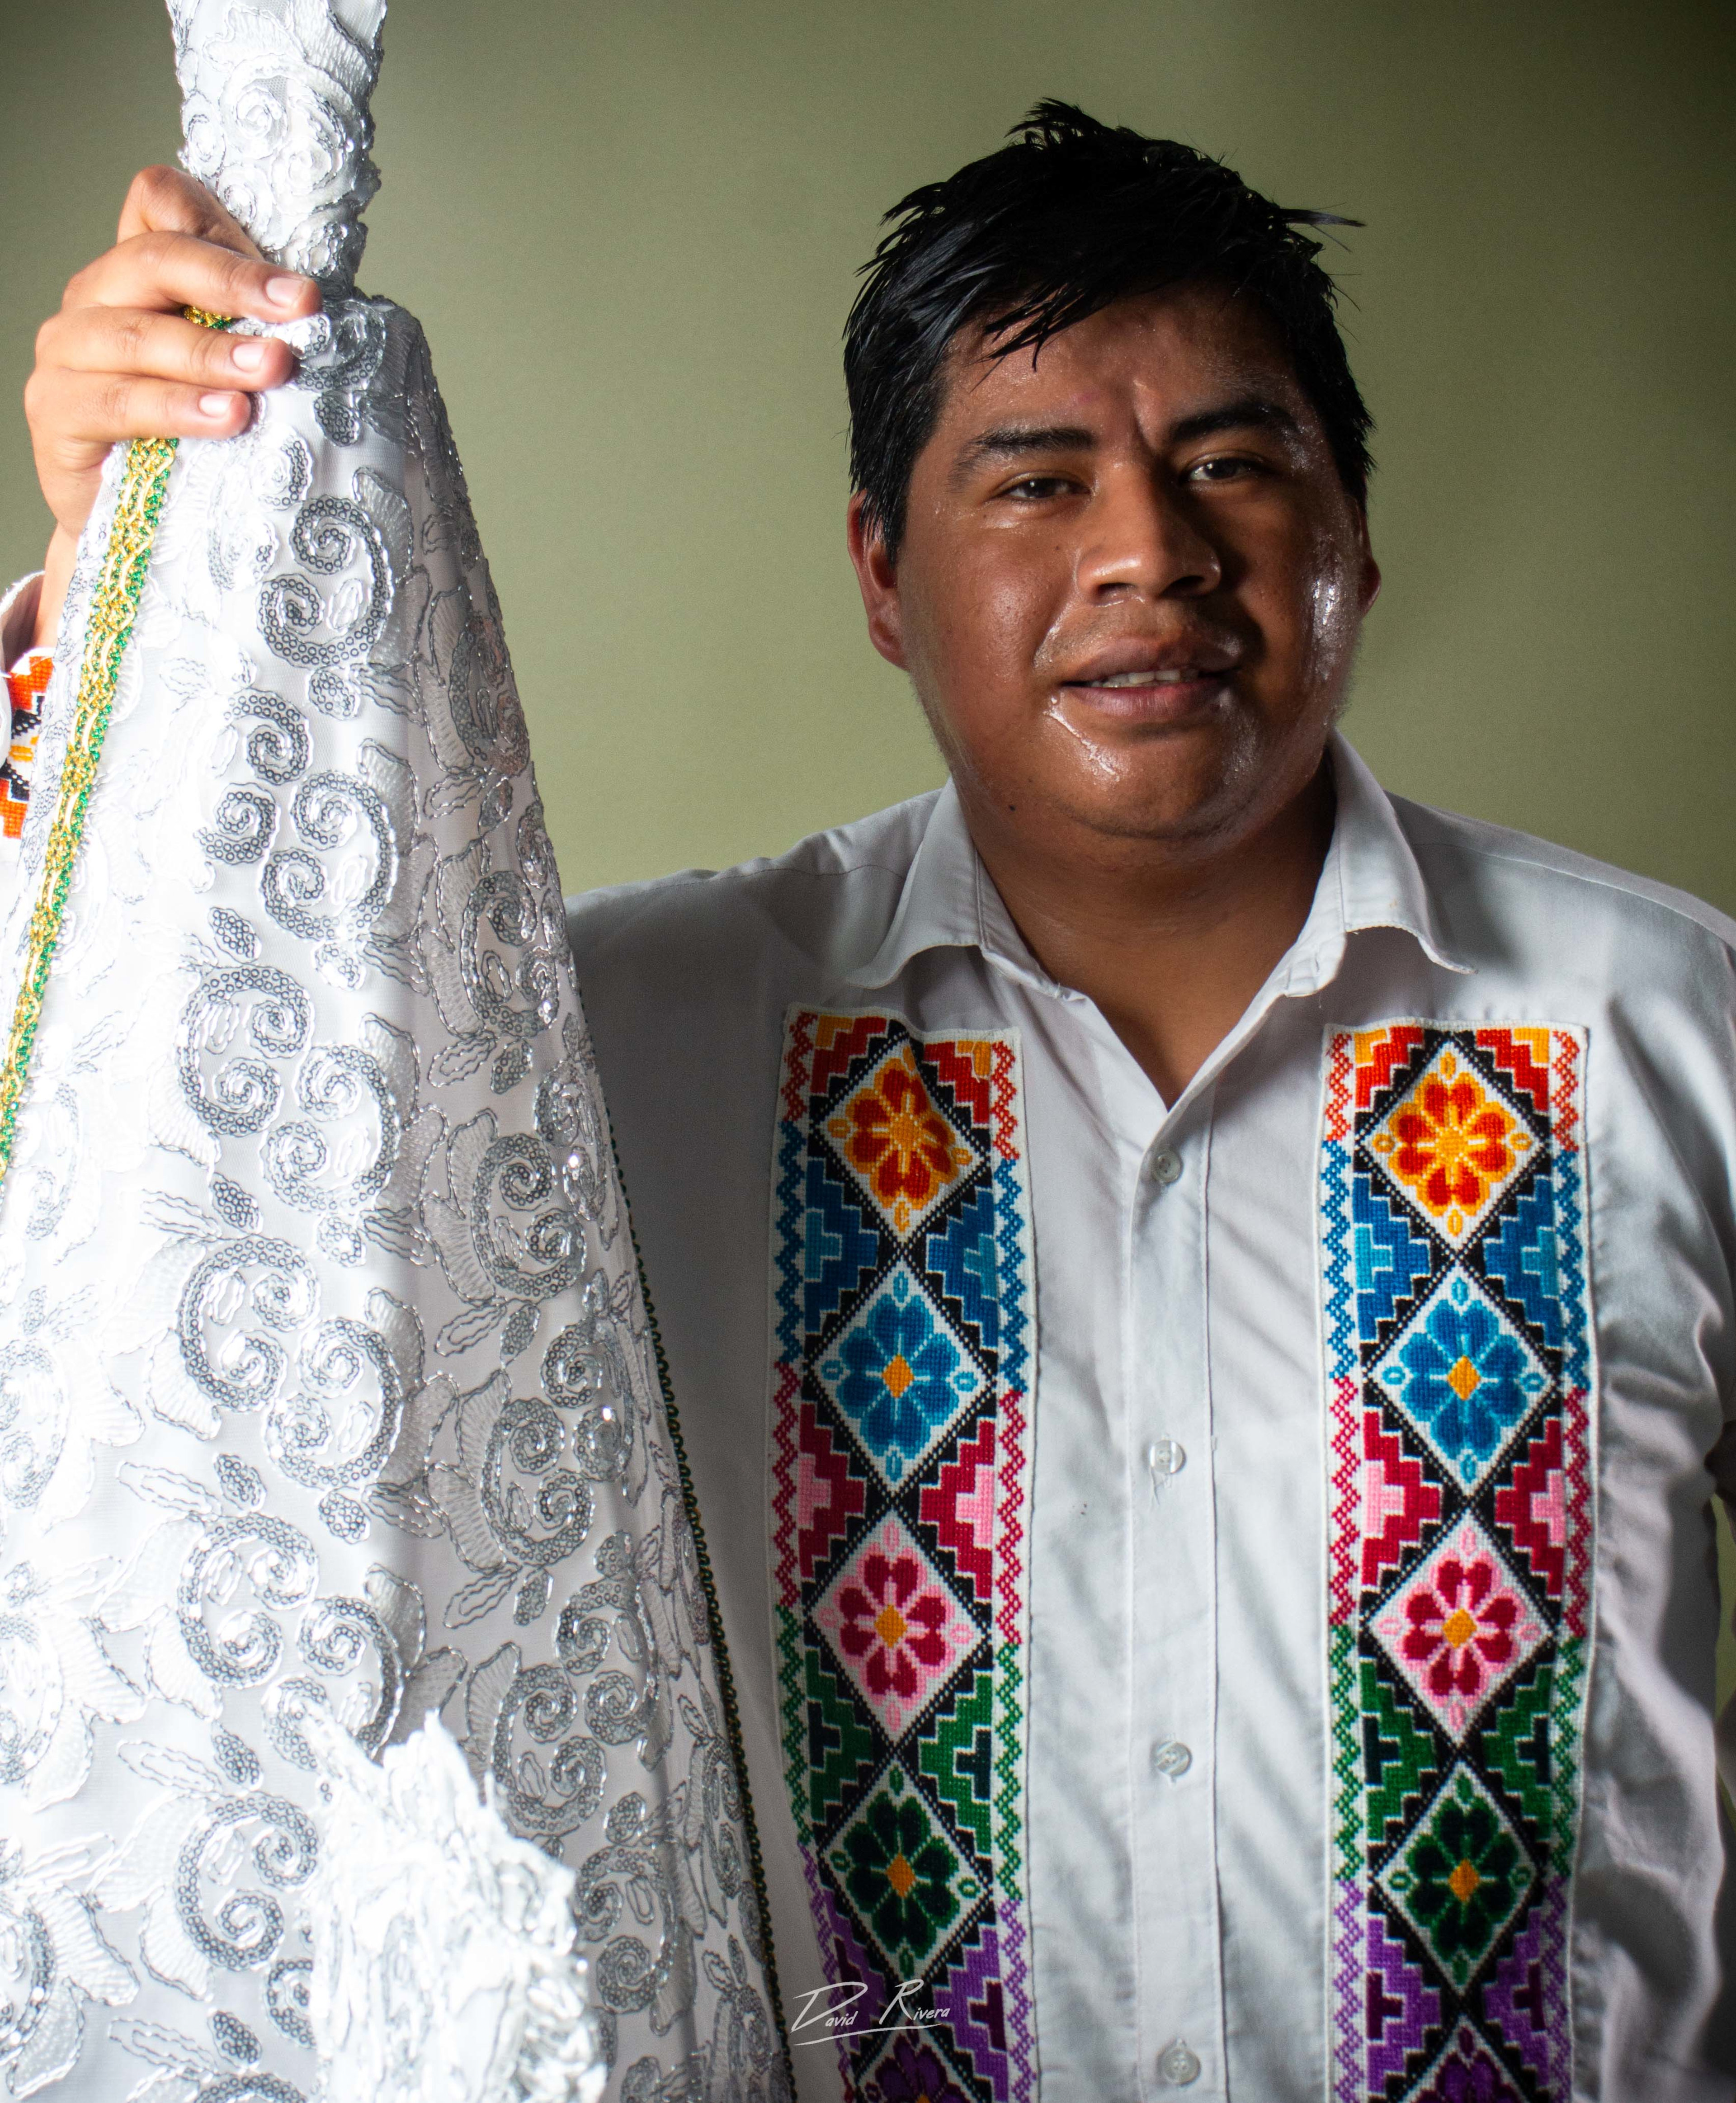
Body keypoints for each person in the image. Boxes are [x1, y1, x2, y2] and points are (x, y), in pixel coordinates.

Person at [11, 102, 1736, 2103]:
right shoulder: (603, 1056)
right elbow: (157, 1163)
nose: (1147, 556)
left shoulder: (1675, 1022)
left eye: (1234, 468)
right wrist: (122, 569)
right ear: (884, 576)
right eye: (1036, 480)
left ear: (1351, 535)